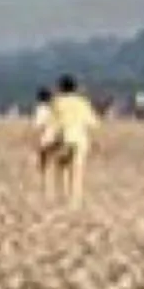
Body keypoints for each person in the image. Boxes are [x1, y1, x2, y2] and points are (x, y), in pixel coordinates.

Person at [42, 75, 102, 207]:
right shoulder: (82, 102)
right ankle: (75, 200)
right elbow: (93, 122)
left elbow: (53, 123)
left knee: (62, 167)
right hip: (80, 138)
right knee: (77, 169)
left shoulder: (57, 102)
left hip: (65, 137)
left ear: (61, 87)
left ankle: (64, 195)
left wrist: (47, 141)